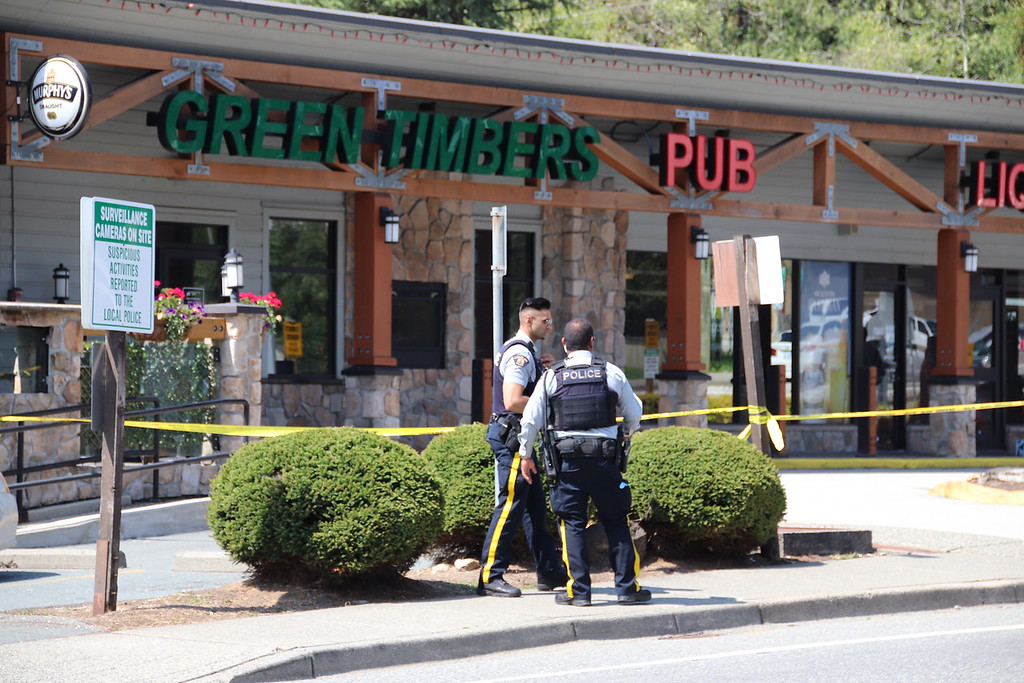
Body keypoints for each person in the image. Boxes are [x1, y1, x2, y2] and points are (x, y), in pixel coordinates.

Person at [518, 318, 649, 606]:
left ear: (564, 345)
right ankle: (627, 589)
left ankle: (579, 593)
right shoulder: (610, 372)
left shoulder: (552, 377)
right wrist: (626, 434)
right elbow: (634, 411)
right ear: (592, 342)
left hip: (568, 464)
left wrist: (526, 455)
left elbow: (530, 421)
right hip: (605, 461)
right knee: (616, 522)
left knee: (572, 524)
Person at [477, 297, 567, 598]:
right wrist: (549, 403)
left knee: (534, 509)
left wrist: (542, 374)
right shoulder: (520, 354)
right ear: (528, 321)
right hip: (513, 437)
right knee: (510, 506)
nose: (550, 326)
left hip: (519, 437)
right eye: (545, 321)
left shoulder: (527, 353)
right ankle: (491, 575)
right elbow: (513, 400)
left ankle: (549, 573)